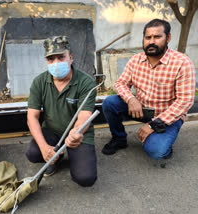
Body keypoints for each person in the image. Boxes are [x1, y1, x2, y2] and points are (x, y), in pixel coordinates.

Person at [101, 19, 196, 159]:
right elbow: (120, 83)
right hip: (141, 110)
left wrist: (153, 125)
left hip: (167, 116)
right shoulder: (135, 60)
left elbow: (185, 101)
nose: (151, 41)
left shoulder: (182, 63)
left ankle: (164, 145)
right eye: (148, 37)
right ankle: (119, 139)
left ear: (168, 38)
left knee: (156, 152)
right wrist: (131, 99)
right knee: (110, 103)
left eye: (157, 37)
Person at [25, 36, 98, 187]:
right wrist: (44, 147)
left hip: (78, 135)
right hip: (52, 131)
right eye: (51, 59)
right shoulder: (39, 82)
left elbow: (85, 115)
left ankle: (72, 155)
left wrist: (76, 132)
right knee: (33, 153)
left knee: (85, 178)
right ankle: (56, 155)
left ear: (70, 57)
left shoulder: (86, 82)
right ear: (46, 61)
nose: (56, 63)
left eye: (61, 57)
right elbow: (32, 116)